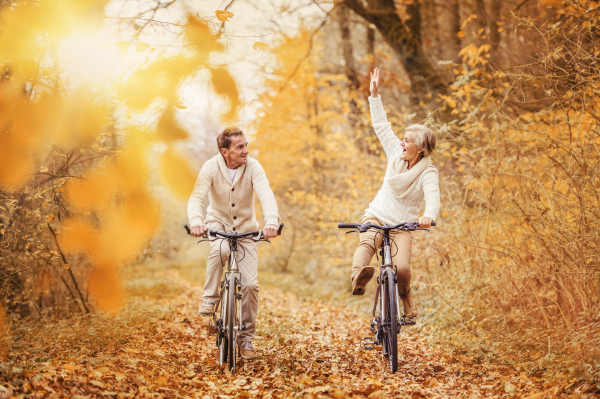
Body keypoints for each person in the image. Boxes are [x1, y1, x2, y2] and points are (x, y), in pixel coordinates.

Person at [350, 68, 441, 322]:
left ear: (420, 149)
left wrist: (428, 215)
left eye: (407, 140)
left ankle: (405, 297)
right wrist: (374, 94)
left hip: (403, 225)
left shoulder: (428, 173)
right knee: (367, 243)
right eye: (402, 139)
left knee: (401, 268)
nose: (401, 143)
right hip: (377, 216)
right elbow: (381, 125)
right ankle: (359, 276)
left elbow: (433, 197)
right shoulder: (395, 153)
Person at [188, 127, 280, 360]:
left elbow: (266, 194)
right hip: (218, 225)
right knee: (219, 250)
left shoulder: (253, 167)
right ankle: (210, 300)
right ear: (224, 151)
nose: (246, 150)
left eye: (246, 145)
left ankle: (246, 339)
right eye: (240, 147)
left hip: (247, 231)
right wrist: (196, 221)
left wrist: (271, 221)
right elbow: (197, 196)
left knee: (250, 285)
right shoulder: (210, 167)